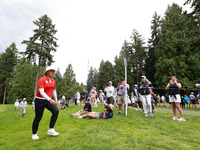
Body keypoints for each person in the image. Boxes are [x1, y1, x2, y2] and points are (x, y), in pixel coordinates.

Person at [32, 67, 59, 140]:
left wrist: (56, 100)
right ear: (47, 71)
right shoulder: (42, 79)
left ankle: (50, 129)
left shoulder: (53, 81)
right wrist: (50, 99)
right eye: (51, 70)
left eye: (53, 71)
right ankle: (34, 134)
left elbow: (54, 91)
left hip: (48, 100)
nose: (52, 72)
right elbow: (41, 91)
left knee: (56, 111)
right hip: (40, 100)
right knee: (38, 117)